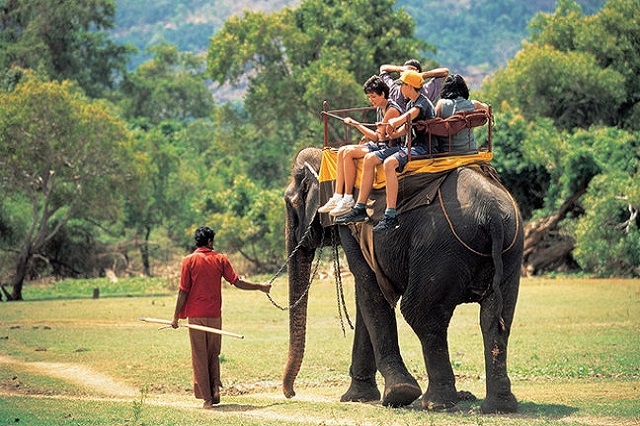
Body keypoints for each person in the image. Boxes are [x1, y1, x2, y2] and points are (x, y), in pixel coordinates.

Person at [172, 226, 271, 409]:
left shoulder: (188, 261)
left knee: (199, 356)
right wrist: (260, 286)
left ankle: (207, 399)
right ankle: (215, 389)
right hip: (214, 315)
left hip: (196, 317)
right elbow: (237, 282)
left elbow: (183, 291)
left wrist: (176, 317)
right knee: (213, 354)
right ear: (209, 241)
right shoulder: (220, 259)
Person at [336, 70, 435, 231]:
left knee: (389, 163)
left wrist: (392, 123)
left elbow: (406, 118)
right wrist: (394, 132)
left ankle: (390, 214)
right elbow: (405, 128)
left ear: (409, 86)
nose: (400, 88)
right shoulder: (410, 102)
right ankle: (360, 207)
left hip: (425, 147)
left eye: (402, 85)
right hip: (414, 145)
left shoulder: (420, 104)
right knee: (377, 160)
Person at [318, 75, 402, 216]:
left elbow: (377, 136)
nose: (371, 100)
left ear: (383, 94)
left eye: (373, 96)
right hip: (379, 145)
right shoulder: (379, 108)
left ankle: (349, 199)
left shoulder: (392, 110)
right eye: (369, 97)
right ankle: (339, 196)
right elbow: (377, 136)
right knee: (343, 151)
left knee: (349, 152)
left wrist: (356, 124)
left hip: (390, 147)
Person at [434, 74, 488, 154]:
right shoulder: (474, 104)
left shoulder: (441, 104)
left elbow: (434, 122)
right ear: (464, 89)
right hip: (469, 151)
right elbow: (487, 109)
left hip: (447, 152)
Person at [379, 59, 449, 108]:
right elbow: (445, 72)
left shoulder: (393, 89)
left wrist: (420, 75)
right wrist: (401, 69)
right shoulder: (426, 92)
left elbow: (445, 71)